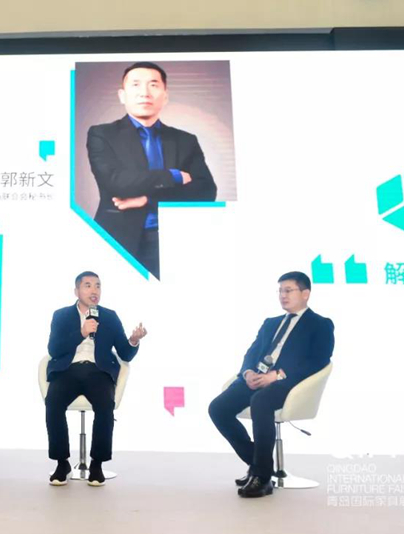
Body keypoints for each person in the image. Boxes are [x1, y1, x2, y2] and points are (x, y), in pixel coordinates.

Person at [208, 271, 335, 498]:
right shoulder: (270, 323)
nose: (282, 295)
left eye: (288, 290)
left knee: (261, 401)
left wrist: (277, 376)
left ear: (305, 294)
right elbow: (252, 352)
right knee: (218, 408)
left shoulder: (320, 324)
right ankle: (259, 463)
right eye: (280, 291)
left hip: (289, 384)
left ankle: (262, 478)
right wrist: (247, 372)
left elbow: (318, 360)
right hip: (256, 378)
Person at [86, 62, 217, 279]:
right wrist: (173, 175)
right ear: (122, 95)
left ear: (165, 96)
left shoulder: (185, 140)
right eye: (136, 84)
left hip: (177, 239)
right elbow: (115, 182)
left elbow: (206, 190)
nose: (144, 93)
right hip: (118, 240)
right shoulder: (102, 134)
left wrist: (148, 199)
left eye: (153, 85)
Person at [45, 271, 147, 486]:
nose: (94, 290)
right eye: (88, 285)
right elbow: (54, 349)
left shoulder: (109, 316)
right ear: (76, 291)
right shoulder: (61, 315)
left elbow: (125, 353)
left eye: (98, 286)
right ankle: (62, 463)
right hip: (67, 370)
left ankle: (97, 464)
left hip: (98, 371)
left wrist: (133, 340)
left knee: (105, 406)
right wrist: (81, 333)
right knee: (53, 402)